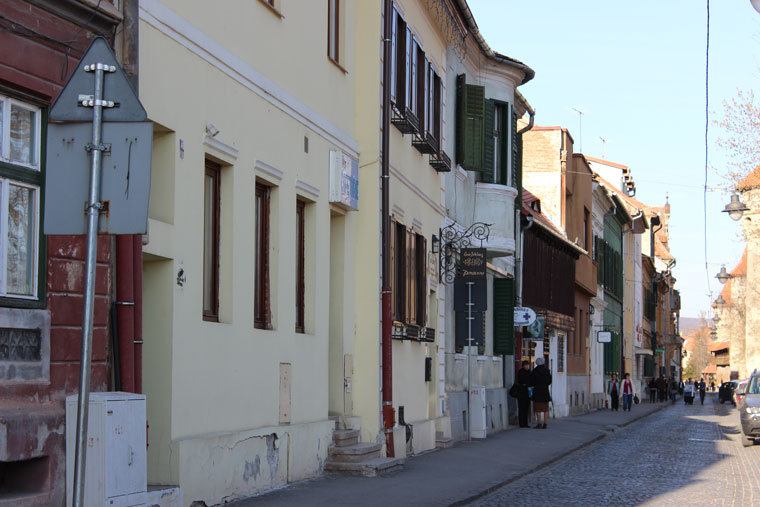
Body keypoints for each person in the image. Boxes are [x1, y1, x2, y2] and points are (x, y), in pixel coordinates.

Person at [530, 357, 552, 429]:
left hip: (537, 391)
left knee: (538, 409)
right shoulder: (547, 371)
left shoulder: (535, 371)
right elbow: (549, 381)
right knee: (545, 409)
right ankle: (545, 423)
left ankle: (539, 423)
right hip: (545, 391)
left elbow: (532, 382)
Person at [516, 360, 532, 428]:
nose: (527, 366)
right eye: (526, 365)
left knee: (526, 408)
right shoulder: (521, 372)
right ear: (523, 366)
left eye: (528, 365)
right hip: (521, 392)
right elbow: (521, 381)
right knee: (521, 408)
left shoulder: (530, 372)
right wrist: (526, 384)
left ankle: (525, 423)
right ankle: (521, 423)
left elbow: (531, 380)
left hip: (528, 392)